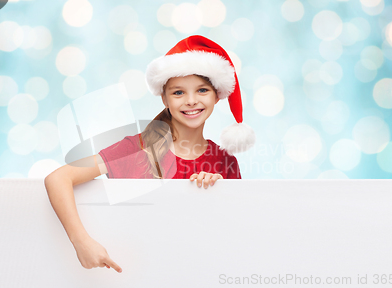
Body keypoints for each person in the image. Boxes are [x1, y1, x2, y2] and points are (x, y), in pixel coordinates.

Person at [44, 35, 256, 273]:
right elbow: (58, 178)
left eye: (202, 90)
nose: (191, 101)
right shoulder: (137, 149)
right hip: (140, 273)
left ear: (216, 96)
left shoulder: (225, 162)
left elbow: (235, 232)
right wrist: (81, 242)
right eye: (178, 93)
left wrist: (217, 194)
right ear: (164, 98)